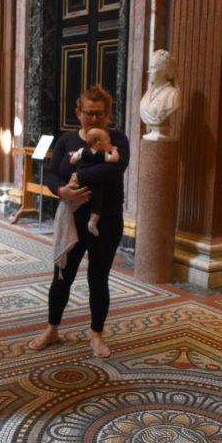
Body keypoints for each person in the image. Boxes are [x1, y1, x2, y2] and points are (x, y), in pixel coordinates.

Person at [29, 84, 130, 359]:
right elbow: (51, 173)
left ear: (107, 113)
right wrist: (61, 190)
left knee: (98, 279)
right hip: (71, 218)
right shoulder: (66, 140)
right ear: (78, 112)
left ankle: (96, 334)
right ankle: (52, 329)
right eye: (88, 113)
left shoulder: (117, 139)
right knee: (62, 277)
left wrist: (78, 178)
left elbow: (112, 171)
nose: (93, 118)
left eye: (98, 113)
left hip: (105, 220)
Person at [69, 127, 121, 236]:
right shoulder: (103, 154)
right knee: (97, 203)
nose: (110, 144)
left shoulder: (82, 150)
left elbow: (72, 161)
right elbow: (115, 159)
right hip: (95, 182)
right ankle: (92, 222)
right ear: (99, 144)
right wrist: (114, 150)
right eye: (108, 142)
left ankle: (70, 213)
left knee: (76, 195)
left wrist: (74, 157)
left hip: (79, 179)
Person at [139, 49, 181, 134]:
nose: (148, 71)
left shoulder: (173, 95)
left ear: (164, 71)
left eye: (153, 67)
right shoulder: (147, 95)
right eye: (149, 68)